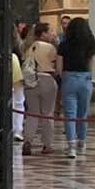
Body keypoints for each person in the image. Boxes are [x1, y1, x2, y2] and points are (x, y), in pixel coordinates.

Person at [58, 16, 95, 162]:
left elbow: (59, 67)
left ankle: (71, 146)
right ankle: (82, 142)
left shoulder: (64, 45)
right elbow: (91, 65)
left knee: (70, 114)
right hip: (85, 78)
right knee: (83, 114)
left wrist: (64, 78)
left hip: (69, 78)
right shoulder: (90, 45)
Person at [22, 20, 59, 155]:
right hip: (47, 79)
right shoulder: (50, 47)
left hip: (31, 81)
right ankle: (47, 144)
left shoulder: (28, 47)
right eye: (49, 31)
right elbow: (55, 64)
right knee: (47, 114)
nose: (52, 34)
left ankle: (28, 141)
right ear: (43, 34)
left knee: (32, 113)